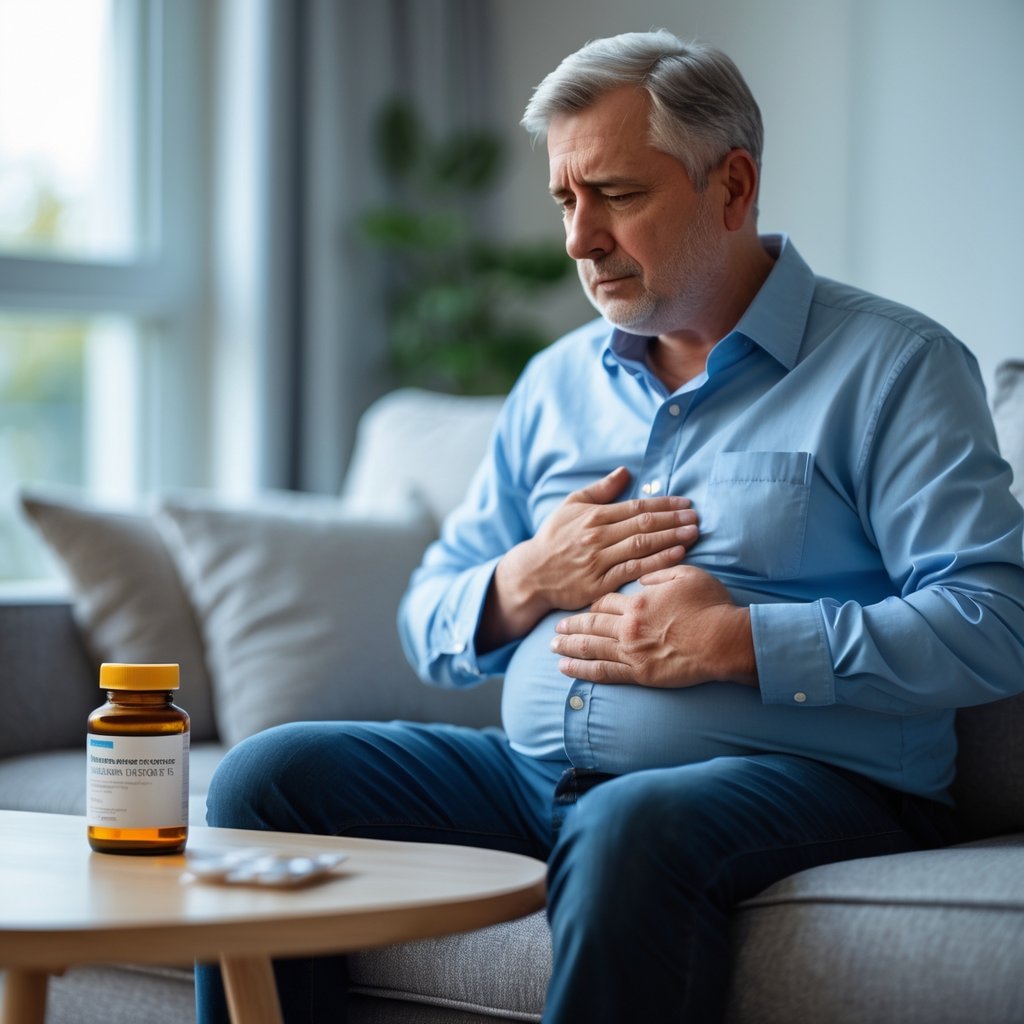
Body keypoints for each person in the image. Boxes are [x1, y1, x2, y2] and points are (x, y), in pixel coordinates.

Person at [196, 29, 1024, 1023]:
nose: (577, 237)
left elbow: (996, 618)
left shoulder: (893, 367)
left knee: (630, 816)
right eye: (563, 199)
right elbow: (429, 615)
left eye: (616, 195)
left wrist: (737, 642)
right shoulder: (552, 384)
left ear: (732, 186)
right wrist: (530, 578)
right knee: (268, 777)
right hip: (534, 775)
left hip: (816, 780)